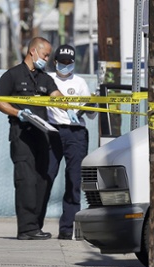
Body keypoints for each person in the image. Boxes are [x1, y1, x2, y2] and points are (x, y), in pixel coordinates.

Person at [0, 37, 63, 240]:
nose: (47, 59)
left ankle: (36, 227)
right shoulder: (12, 75)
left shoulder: (45, 78)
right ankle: (26, 229)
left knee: (42, 180)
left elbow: (56, 95)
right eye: (45, 55)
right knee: (26, 181)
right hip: (22, 135)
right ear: (33, 51)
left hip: (42, 135)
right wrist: (17, 113)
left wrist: (69, 104)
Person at [47, 44, 97, 240]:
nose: (65, 66)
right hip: (53, 129)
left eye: (69, 62)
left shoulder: (81, 83)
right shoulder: (48, 80)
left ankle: (67, 228)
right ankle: (34, 225)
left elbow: (92, 113)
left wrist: (90, 105)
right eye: (62, 62)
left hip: (76, 132)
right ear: (55, 62)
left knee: (74, 179)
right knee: (46, 175)